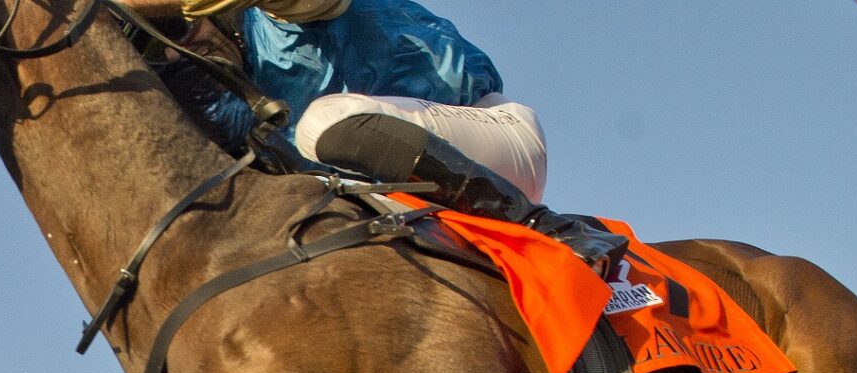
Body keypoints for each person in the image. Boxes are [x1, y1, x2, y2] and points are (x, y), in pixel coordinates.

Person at [128, 0, 628, 274]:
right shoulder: (241, 81)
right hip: (392, 175)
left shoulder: (281, 10)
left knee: (324, 122)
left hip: (493, 135)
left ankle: (550, 228)